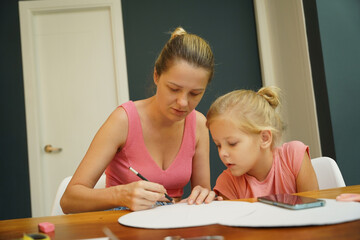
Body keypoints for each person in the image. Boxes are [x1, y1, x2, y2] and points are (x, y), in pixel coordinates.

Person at [61, 27, 217, 213]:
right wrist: (121, 195)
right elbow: (69, 200)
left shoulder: (198, 124)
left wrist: (203, 195)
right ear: (156, 76)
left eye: (195, 93)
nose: (183, 102)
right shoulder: (123, 121)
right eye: (174, 89)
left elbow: (202, 192)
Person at [205, 86, 319, 200]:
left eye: (232, 143)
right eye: (218, 145)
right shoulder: (227, 183)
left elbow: (314, 210)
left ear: (264, 138)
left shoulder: (294, 156)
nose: (222, 153)